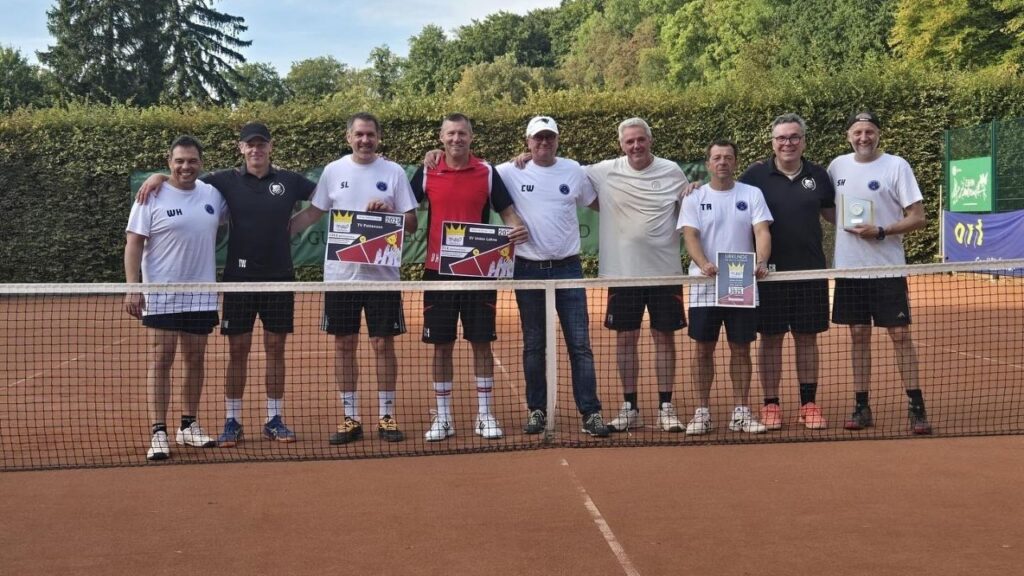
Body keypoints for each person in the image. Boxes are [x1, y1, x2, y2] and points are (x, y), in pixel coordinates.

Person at [137, 122, 317, 447]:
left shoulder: (290, 181)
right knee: (238, 349)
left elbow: (325, 198)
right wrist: (158, 178)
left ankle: (274, 418)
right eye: (251, 144)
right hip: (238, 280)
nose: (256, 150)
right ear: (241, 148)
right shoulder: (223, 182)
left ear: (270, 147)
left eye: (262, 144)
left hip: (279, 279)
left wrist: (290, 228)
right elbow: (182, 181)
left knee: (275, 349)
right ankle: (232, 420)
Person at [289, 112, 419, 444]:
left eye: (370, 135)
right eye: (359, 134)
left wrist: (389, 215)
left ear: (378, 137)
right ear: (349, 137)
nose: (365, 140)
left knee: (382, 344)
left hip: (382, 278)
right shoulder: (333, 171)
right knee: (344, 345)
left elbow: (412, 222)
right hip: (340, 277)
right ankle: (350, 418)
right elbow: (314, 212)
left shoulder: (394, 173)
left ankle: (386, 416)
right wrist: (277, 232)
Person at [411, 113, 528, 442]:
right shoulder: (428, 170)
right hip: (437, 273)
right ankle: (444, 417)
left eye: (462, 133)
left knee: (481, 344)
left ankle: (485, 415)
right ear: (441, 136)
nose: (456, 139)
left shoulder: (487, 172)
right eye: (450, 133)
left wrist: (516, 227)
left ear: (471, 137)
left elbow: (507, 211)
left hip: (479, 273)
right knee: (441, 347)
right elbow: (405, 208)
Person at [495, 116, 610, 438]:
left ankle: (591, 412)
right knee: (534, 345)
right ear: (528, 142)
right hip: (528, 270)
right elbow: (473, 168)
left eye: (549, 138)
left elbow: (601, 202)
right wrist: (432, 156)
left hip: (568, 269)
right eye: (538, 139)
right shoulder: (508, 171)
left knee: (580, 345)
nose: (543, 144)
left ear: (557, 140)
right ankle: (537, 411)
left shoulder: (574, 169)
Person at [124, 135, 227, 461]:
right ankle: (159, 432)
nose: (186, 166)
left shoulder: (213, 194)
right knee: (161, 359)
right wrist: (133, 286)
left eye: (192, 160)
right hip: (161, 295)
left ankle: (189, 425)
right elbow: (134, 243)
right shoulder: (149, 195)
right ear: (169, 162)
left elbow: (246, 193)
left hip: (201, 296)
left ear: (201, 163)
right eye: (179, 160)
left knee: (195, 359)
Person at [829, 110, 931, 435]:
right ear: (848, 136)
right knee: (858, 336)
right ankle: (861, 406)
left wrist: (882, 230)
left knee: (900, 336)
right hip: (849, 270)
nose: (863, 137)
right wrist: (848, 225)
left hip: (887, 269)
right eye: (857, 132)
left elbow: (918, 217)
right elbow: (824, 206)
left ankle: (917, 407)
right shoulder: (836, 167)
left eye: (869, 131)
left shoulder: (896, 165)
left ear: (878, 134)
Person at [586, 118, 689, 432]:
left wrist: (696, 189)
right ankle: (630, 406)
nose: (635, 146)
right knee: (626, 340)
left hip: (665, 274)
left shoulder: (672, 171)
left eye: (640, 140)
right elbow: (554, 167)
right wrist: (521, 159)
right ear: (621, 144)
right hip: (623, 275)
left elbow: (692, 206)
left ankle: (666, 407)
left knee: (664, 339)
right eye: (629, 141)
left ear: (650, 140)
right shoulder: (603, 171)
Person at [738, 113, 836, 430]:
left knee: (807, 339)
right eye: (781, 138)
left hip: (810, 273)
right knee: (770, 340)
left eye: (794, 137)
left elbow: (839, 215)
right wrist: (695, 189)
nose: (788, 143)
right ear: (773, 142)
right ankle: (771, 405)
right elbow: (726, 197)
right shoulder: (754, 175)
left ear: (803, 141)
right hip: (768, 275)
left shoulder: (819, 176)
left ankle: (808, 404)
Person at [679, 139, 773, 435]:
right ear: (708, 164)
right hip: (704, 283)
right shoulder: (694, 197)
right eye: (716, 158)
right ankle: (702, 411)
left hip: (740, 279)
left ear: (735, 162)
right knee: (703, 350)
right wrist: (704, 263)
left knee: (741, 349)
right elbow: (690, 236)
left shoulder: (752, 194)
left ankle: (741, 411)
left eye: (728, 157)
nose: (722, 162)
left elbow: (761, 230)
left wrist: (762, 261)